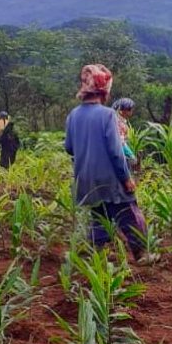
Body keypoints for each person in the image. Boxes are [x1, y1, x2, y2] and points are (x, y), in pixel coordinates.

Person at [65, 65, 157, 264]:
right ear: (103, 91)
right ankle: (142, 254)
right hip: (110, 179)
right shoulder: (107, 115)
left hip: (86, 179)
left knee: (99, 215)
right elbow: (116, 152)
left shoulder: (73, 115)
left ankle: (93, 254)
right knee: (129, 213)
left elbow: (69, 147)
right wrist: (126, 179)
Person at [111, 97, 138, 170]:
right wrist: (131, 155)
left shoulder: (117, 120)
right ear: (122, 110)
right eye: (129, 109)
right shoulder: (118, 123)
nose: (131, 111)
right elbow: (120, 143)